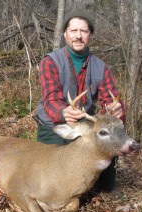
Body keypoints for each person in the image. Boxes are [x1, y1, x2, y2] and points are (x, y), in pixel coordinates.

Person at [35, 8, 126, 197]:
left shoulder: (101, 67)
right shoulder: (50, 62)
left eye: (83, 31)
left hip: (84, 125)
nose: (78, 36)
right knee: (51, 171)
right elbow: (50, 99)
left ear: (90, 35)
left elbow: (112, 100)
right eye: (73, 31)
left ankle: (107, 186)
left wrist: (116, 111)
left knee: (109, 139)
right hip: (54, 125)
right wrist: (63, 112)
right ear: (65, 34)